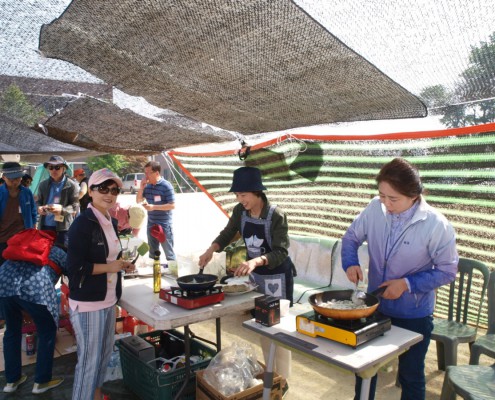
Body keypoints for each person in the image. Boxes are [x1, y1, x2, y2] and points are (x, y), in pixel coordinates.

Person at [341, 157, 458, 400]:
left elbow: (447, 271)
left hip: (413, 313)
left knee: (411, 374)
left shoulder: (436, 224)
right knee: (365, 368)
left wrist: (407, 284)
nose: (386, 204)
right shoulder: (375, 208)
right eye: (382, 195)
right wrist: (350, 262)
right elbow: (351, 237)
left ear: (414, 195)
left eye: (393, 199)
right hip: (375, 307)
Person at [198, 166, 295, 393]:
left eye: (243, 195)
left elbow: (281, 251)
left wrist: (255, 261)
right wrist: (211, 249)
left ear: (257, 192)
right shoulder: (240, 211)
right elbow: (228, 232)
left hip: (277, 278)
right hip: (257, 277)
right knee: (263, 328)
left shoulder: (276, 215)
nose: (240, 200)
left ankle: (283, 381)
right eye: (237, 195)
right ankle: (271, 376)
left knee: (278, 331)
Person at [66, 168, 135, 400]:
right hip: (88, 303)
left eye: (114, 190)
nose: (109, 194)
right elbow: (74, 268)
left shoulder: (110, 221)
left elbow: (108, 258)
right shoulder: (82, 224)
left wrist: (121, 264)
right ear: (91, 191)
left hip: (108, 299)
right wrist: (110, 267)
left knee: (103, 359)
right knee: (89, 363)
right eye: (103, 188)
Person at [0, 242, 67, 394]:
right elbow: (76, 276)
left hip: (3, 282)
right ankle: (42, 382)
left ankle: (11, 381)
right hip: (34, 286)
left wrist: (26, 309)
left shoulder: (29, 246)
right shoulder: (60, 253)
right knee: (47, 331)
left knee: (11, 331)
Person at [136, 161, 176, 265]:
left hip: (164, 224)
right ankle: (155, 270)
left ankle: (173, 271)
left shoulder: (166, 186)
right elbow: (138, 201)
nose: (146, 175)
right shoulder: (147, 186)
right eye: (145, 173)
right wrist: (141, 188)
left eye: (148, 173)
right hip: (151, 223)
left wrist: (153, 207)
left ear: (157, 173)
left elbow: (172, 205)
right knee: (153, 252)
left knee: (169, 252)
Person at [36, 155, 79, 246]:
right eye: (51, 167)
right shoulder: (43, 185)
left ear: (63, 168)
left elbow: (75, 206)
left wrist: (62, 210)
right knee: (45, 253)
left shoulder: (71, 185)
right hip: (45, 226)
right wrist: (39, 208)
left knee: (63, 252)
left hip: (63, 228)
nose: (54, 170)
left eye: (57, 167)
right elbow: (38, 202)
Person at [0, 162, 37, 263]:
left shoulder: (27, 192)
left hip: (23, 238)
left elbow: (33, 213)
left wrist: (33, 231)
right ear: (3, 177)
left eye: (17, 178)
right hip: (3, 239)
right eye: (11, 179)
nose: (15, 182)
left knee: (21, 267)